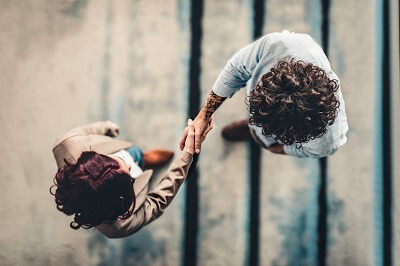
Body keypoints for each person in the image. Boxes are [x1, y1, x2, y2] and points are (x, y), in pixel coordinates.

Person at [180, 30, 348, 158]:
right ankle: (253, 130)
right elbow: (236, 69)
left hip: (284, 137)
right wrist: (204, 115)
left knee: (263, 138)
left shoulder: (327, 142)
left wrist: (280, 148)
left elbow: (310, 151)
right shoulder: (280, 45)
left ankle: (254, 133)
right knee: (260, 129)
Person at [51, 119, 207, 238]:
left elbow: (84, 131)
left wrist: (106, 127)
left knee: (134, 154)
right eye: (128, 176)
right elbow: (158, 201)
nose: (130, 166)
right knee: (134, 161)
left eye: (114, 160)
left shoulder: (67, 145)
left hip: (120, 156)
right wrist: (186, 157)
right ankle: (144, 160)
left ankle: (145, 158)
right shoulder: (119, 226)